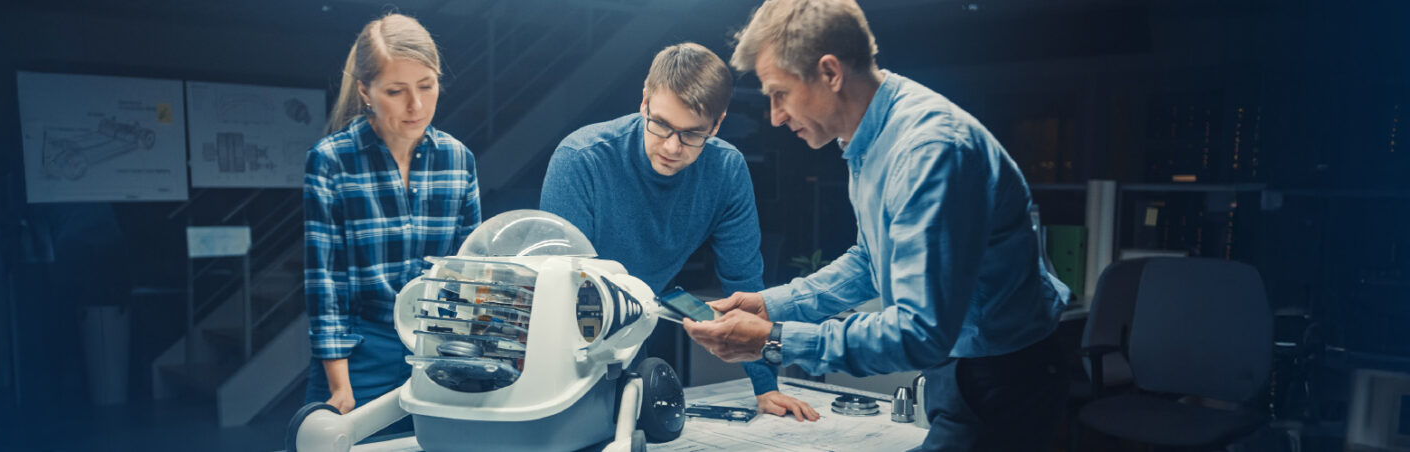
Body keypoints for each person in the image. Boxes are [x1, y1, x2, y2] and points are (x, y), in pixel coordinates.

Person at [682, 1, 1071, 450]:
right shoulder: (868, 137)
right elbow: (870, 260)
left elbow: (918, 332)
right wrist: (771, 306)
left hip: (1005, 377)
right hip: (963, 365)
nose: (775, 115)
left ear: (830, 73)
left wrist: (773, 341)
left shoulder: (927, 151)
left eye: (779, 93)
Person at [541, 42, 819, 421]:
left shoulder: (725, 171)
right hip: (562, 342)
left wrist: (766, 387)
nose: (672, 147)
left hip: (633, 336)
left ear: (717, 124)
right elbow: (561, 290)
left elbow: (744, 285)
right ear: (644, 101)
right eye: (661, 125)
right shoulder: (581, 159)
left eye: (692, 134)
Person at [302, 13, 481, 433]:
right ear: (365, 91)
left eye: (427, 86)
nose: (416, 106)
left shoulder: (458, 161)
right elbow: (324, 283)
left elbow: (470, 273)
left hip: (436, 351)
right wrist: (340, 386)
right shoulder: (331, 161)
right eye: (396, 91)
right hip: (357, 354)